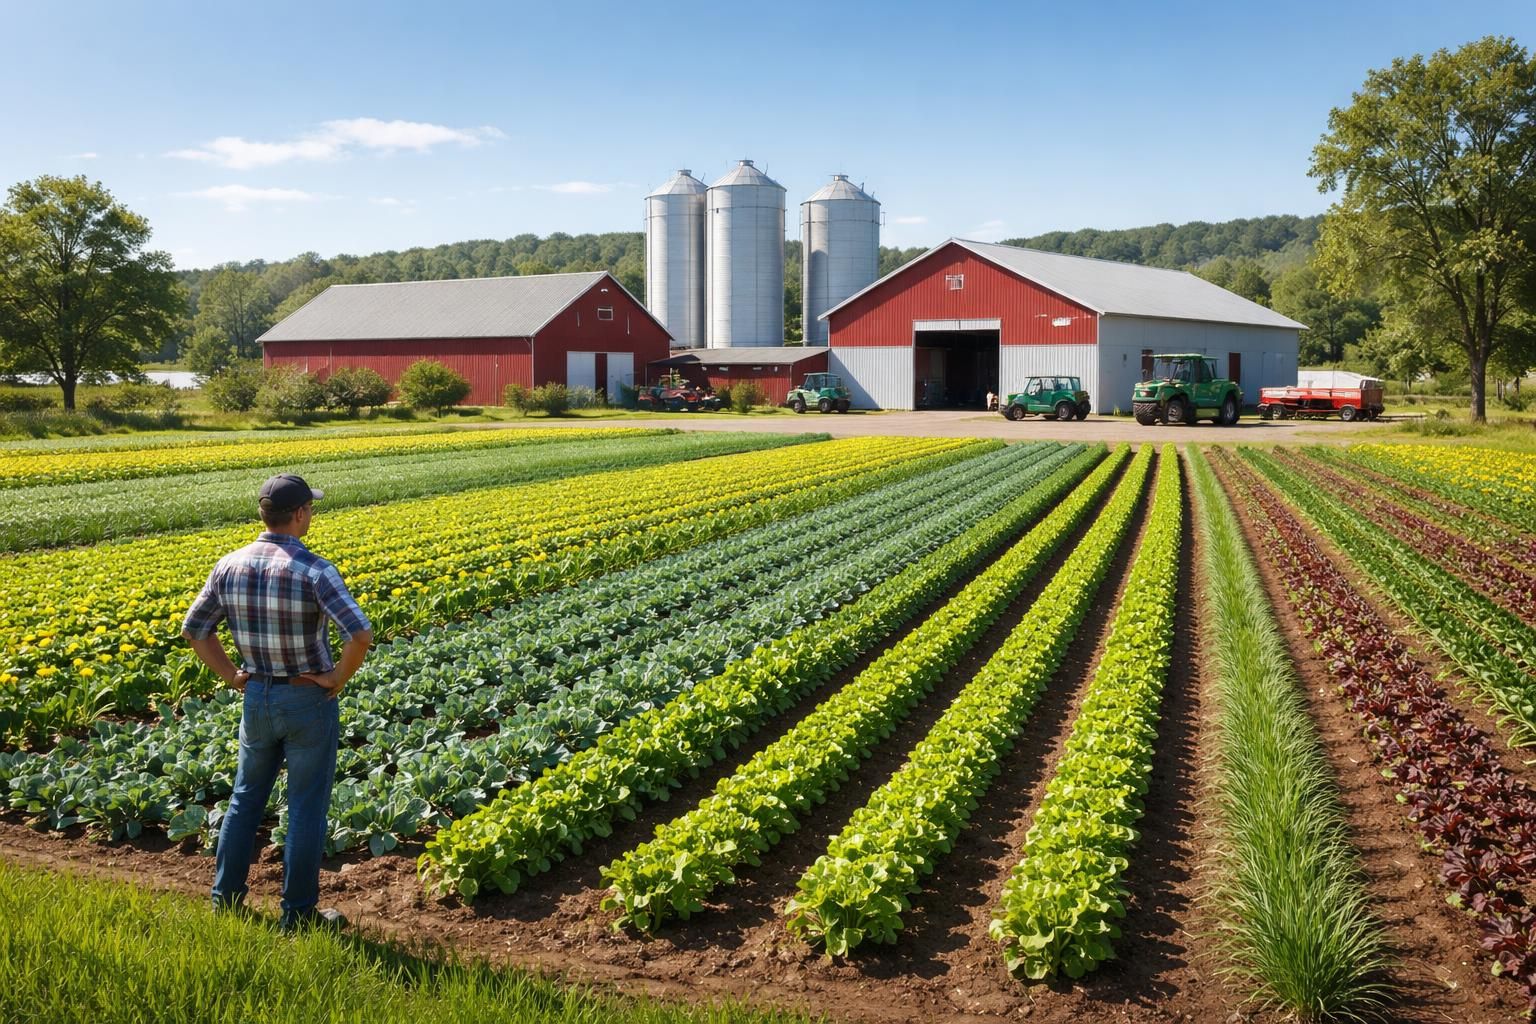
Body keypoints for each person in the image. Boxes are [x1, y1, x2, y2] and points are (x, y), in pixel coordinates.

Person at [182, 473, 372, 931]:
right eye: (311, 509)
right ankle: (298, 914)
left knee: (245, 799)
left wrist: (231, 675)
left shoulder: (229, 565)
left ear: (263, 514)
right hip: (307, 698)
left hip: (257, 695)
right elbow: (360, 633)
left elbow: (195, 630)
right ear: (300, 514)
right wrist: (336, 677)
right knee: (305, 806)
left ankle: (225, 899)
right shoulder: (315, 570)